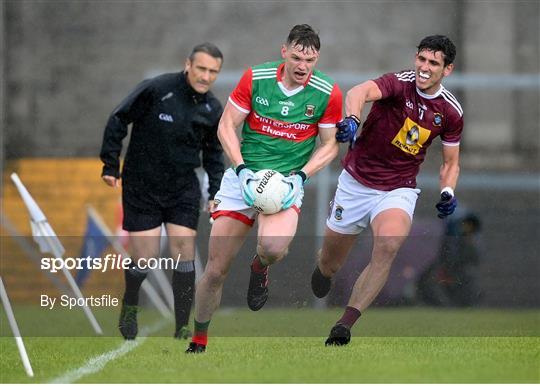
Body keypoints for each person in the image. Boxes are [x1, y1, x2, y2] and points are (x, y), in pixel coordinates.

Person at [186, 24, 342, 353]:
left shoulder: (327, 92)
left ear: (317, 60)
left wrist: (299, 177)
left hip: (285, 185)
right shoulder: (256, 78)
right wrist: (241, 170)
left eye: (310, 60)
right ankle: (199, 339)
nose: (303, 66)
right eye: (297, 57)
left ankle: (259, 268)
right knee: (216, 270)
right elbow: (227, 125)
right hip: (244, 180)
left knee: (272, 248)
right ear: (284, 52)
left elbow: (329, 146)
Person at [311, 35, 463, 345]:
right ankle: (323, 271)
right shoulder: (398, 83)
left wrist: (447, 192)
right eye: (421, 59)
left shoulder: (450, 112)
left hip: (398, 188)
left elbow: (450, 163)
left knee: (389, 245)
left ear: (447, 70)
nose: (424, 67)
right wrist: (353, 119)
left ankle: (345, 324)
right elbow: (359, 91)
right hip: (355, 183)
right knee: (330, 263)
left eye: (433, 63)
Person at [99, 43, 225, 340]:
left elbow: (214, 155)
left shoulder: (212, 109)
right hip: (142, 184)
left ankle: (182, 326)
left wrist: (216, 191)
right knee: (146, 256)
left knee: (184, 251)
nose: (206, 76)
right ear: (188, 65)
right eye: (202, 68)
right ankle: (130, 305)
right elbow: (119, 117)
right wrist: (109, 164)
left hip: (182, 187)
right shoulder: (157, 89)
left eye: (213, 72)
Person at [417, 211, 481, 307]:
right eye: (465, 225)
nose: (467, 228)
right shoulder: (450, 238)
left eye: (469, 225)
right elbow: (449, 254)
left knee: (461, 287)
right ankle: (446, 305)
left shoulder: (470, 240)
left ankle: (464, 304)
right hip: (449, 267)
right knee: (444, 286)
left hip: (460, 269)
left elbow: (474, 258)